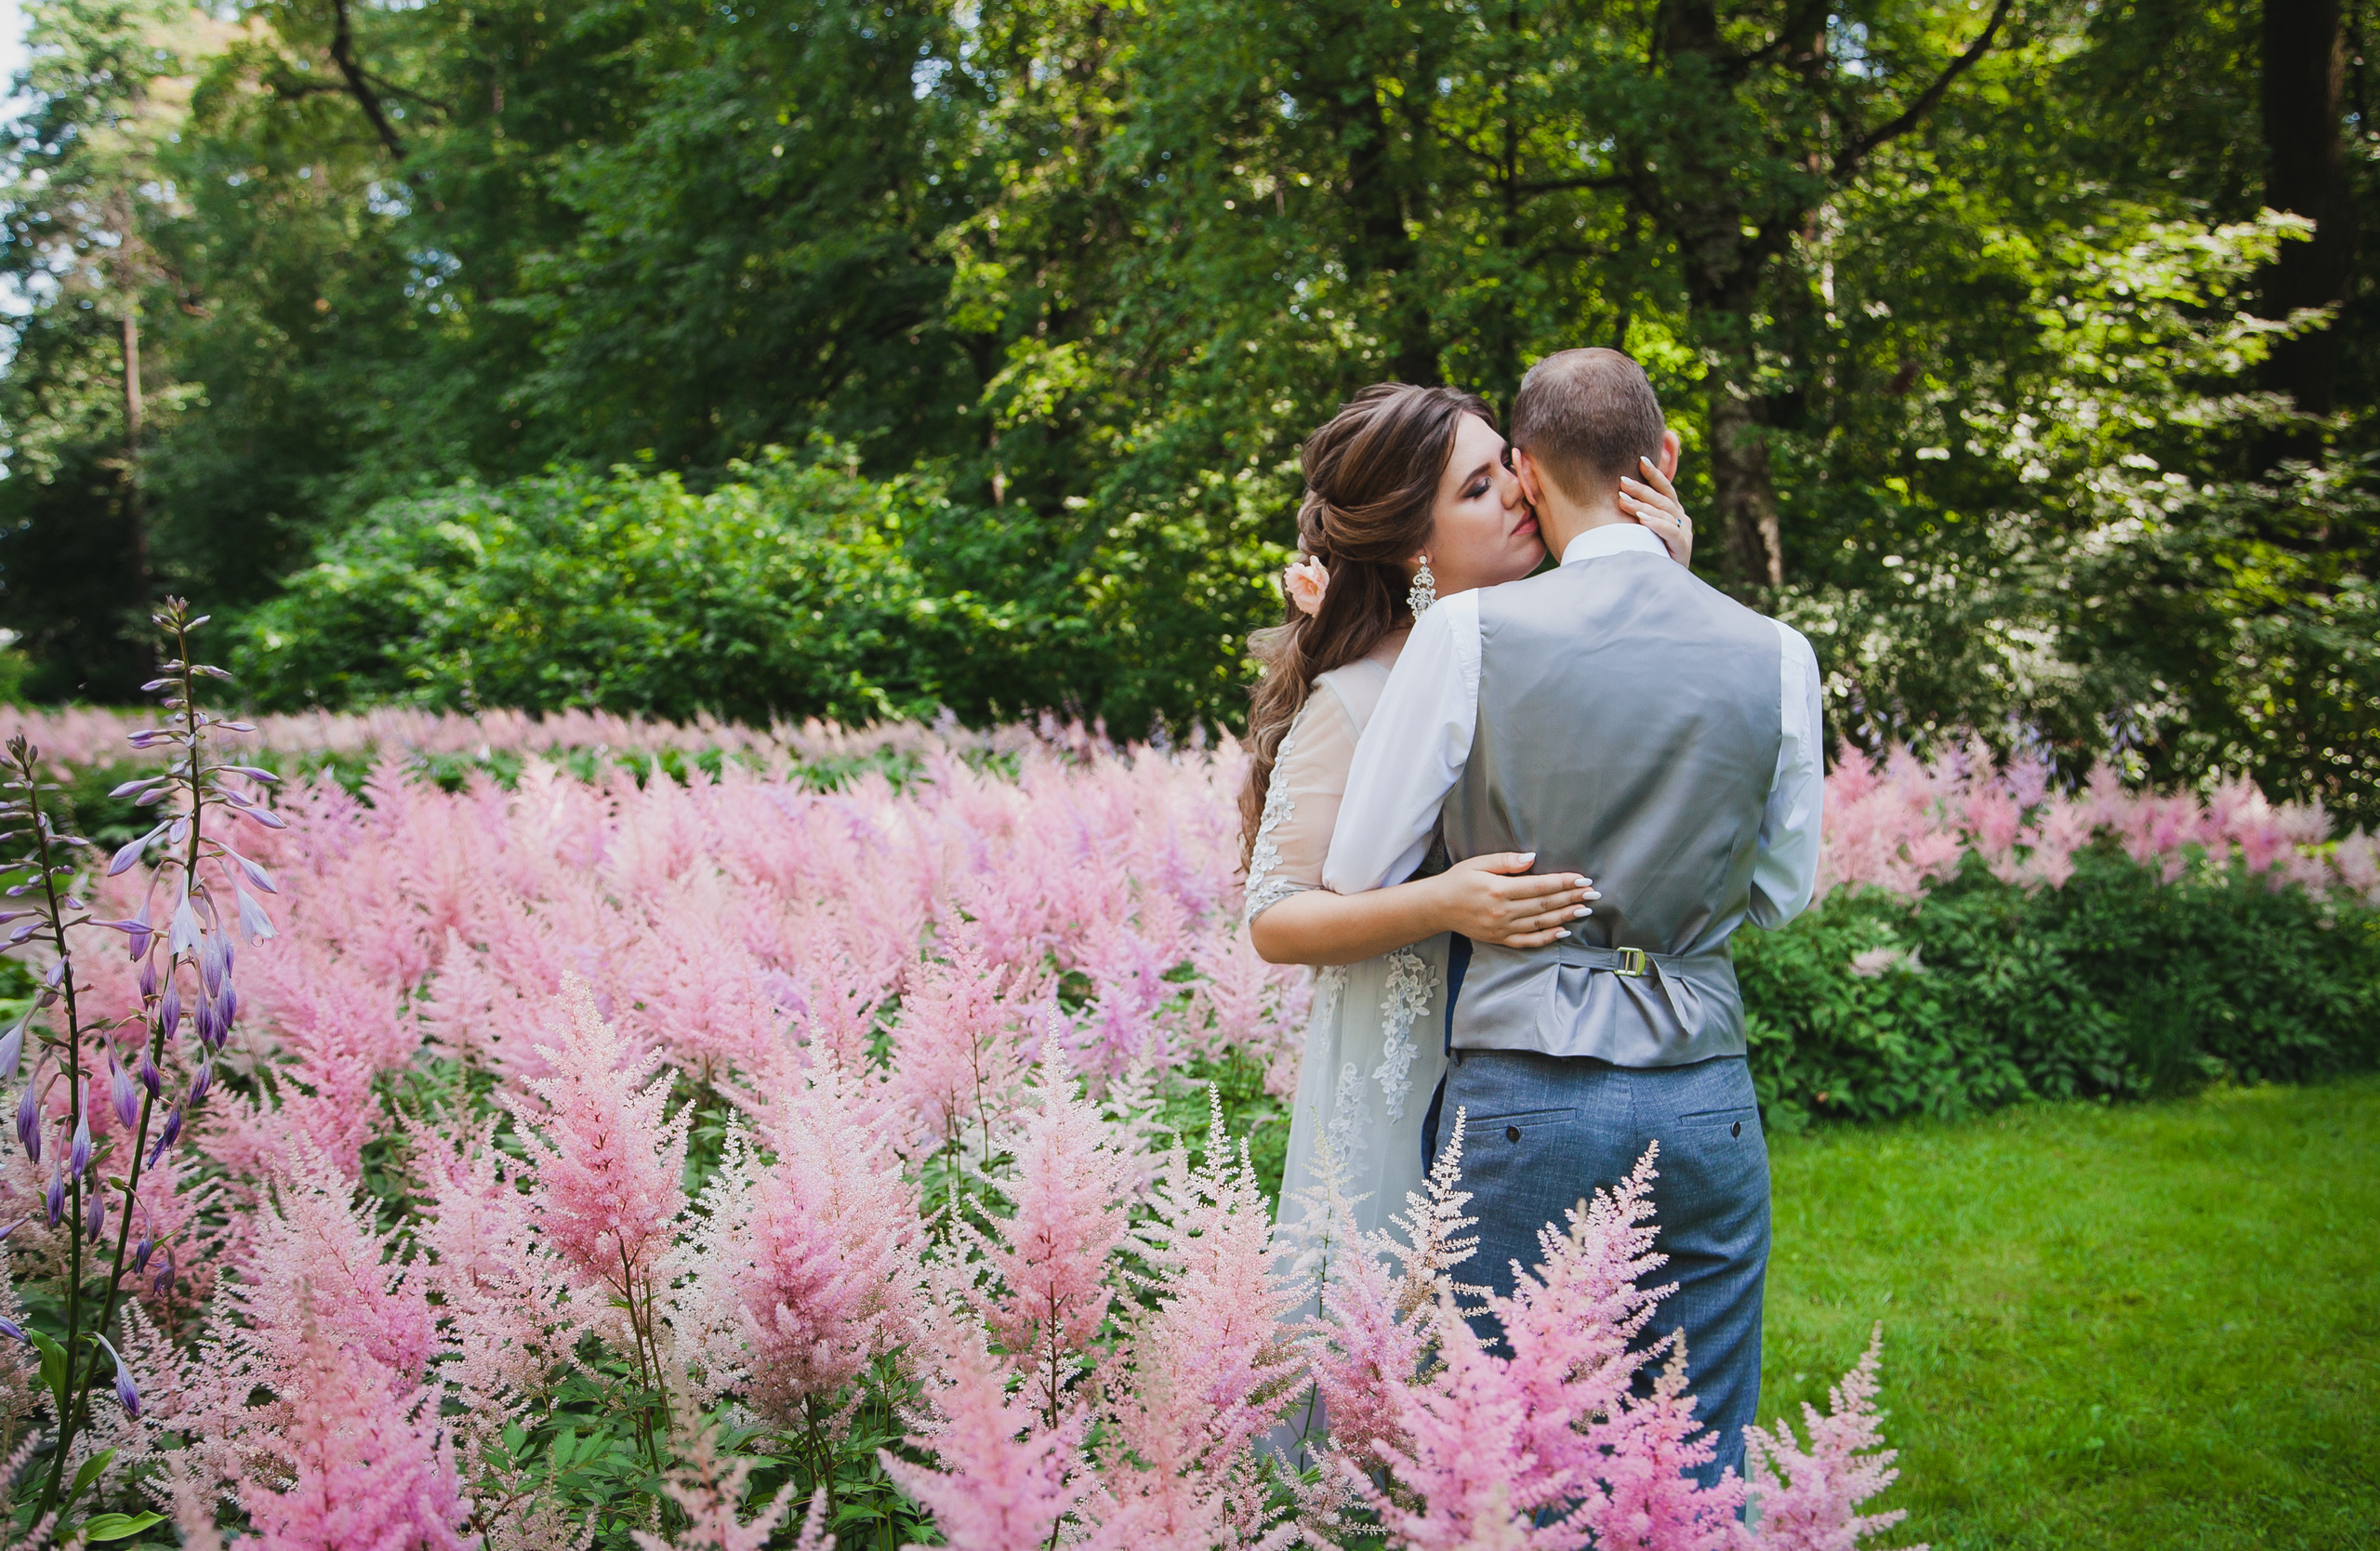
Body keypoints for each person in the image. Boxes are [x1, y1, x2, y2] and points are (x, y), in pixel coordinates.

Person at [1320, 349, 1825, 1491]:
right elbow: (1783, 896)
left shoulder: (1470, 634)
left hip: (1525, 1093)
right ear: (1663, 463)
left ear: (1532, 472)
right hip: (1705, 1092)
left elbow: (1356, 866)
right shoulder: (1777, 653)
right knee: (1692, 1464)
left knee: (1510, 1459)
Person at [1241, 380, 1694, 1268]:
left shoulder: (1539, 650)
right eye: (1479, 489)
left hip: (1559, 1070)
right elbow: (1275, 919)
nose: (1523, 494)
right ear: (1416, 546)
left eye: (1509, 470)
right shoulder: (1355, 698)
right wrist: (1444, 902)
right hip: (1414, 1085)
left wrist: (1661, 578)